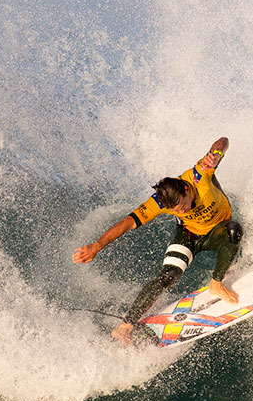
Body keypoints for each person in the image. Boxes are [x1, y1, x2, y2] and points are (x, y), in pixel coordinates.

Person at [73, 137, 243, 345]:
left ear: (186, 190)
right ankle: (125, 326)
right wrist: (98, 245)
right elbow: (128, 222)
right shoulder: (161, 202)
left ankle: (216, 284)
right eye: (175, 210)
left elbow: (222, 142)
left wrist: (215, 156)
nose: (181, 211)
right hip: (189, 234)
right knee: (168, 275)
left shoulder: (199, 176)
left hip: (218, 230)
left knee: (234, 231)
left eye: (182, 206)